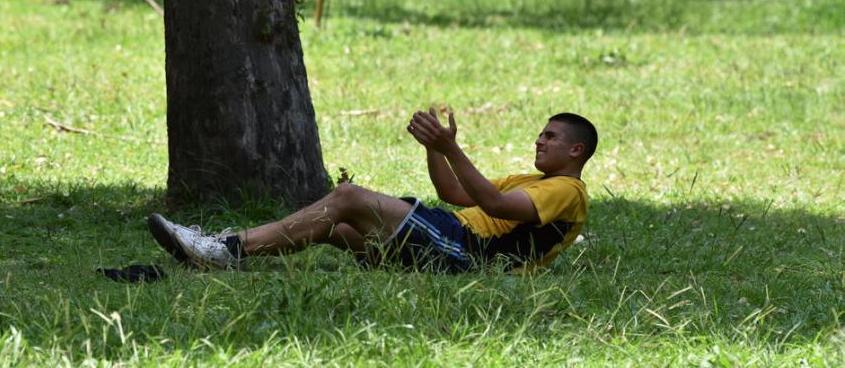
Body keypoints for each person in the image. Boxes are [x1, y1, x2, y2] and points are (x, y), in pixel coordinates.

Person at [148, 110, 597, 273]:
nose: (540, 140)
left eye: (551, 137)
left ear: (576, 150)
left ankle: (223, 249)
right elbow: (454, 193)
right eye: (541, 133)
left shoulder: (568, 191)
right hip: (450, 236)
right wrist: (434, 148)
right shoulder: (533, 181)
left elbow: (494, 206)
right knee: (336, 225)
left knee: (348, 197)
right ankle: (216, 257)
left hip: (468, 253)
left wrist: (451, 145)